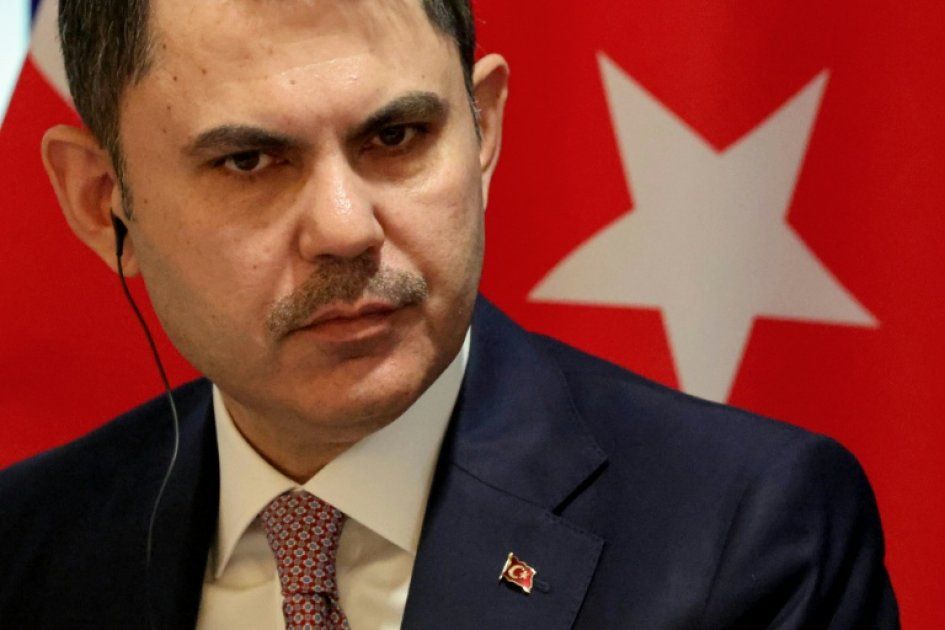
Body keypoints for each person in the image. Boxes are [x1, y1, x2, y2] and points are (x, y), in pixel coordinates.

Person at [0, 0, 898, 628]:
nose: (346, 230)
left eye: (396, 137)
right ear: (102, 200)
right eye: (249, 162)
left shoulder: (745, 536)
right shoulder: (24, 548)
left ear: (483, 131)